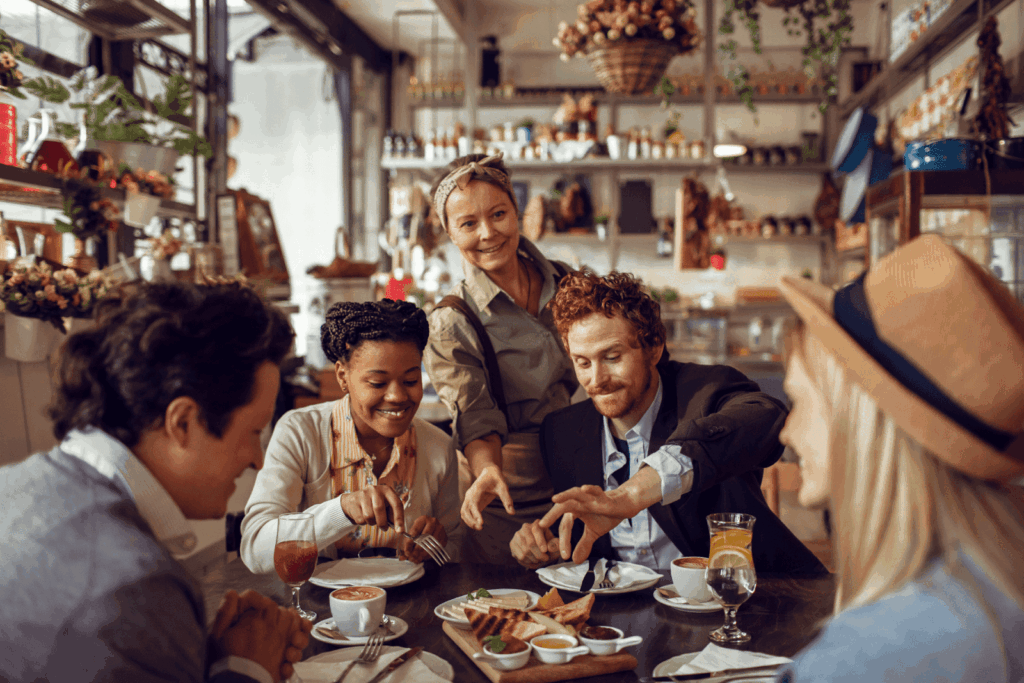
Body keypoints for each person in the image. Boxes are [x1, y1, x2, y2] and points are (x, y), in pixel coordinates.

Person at [0, 282, 311, 683]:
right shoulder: (135, 587)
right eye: (253, 431)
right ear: (182, 422)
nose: (258, 458)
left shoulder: (12, 484)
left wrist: (203, 658)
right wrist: (245, 671)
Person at [772, 234, 1024, 681]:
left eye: (799, 400)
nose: (787, 430)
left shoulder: (864, 660)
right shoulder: (997, 578)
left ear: (857, 416)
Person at [511, 269, 825, 575]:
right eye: (583, 362)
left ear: (654, 348)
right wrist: (542, 548)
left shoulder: (706, 392)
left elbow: (766, 416)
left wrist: (635, 492)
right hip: (624, 618)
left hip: (746, 602)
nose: (596, 380)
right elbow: (585, 541)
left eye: (612, 357)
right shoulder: (561, 434)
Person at [423, 153, 578, 563]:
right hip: (506, 496)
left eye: (498, 214)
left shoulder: (567, 282)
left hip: (581, 485)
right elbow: (474, 413)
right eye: (468, 224)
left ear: (517, 213)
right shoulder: (453, 319)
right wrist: (488, 470)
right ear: (450, 233)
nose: (488, 233)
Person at [241, 299, 458, 572]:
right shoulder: (299, 433)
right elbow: (255, 549)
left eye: (411, 381)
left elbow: (458, 553)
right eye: (378, 383)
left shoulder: (439, 448)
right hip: (316, 611)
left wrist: (437, 543)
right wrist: (341, 511)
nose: (397, 396)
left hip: (410, 609)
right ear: (343, 376)